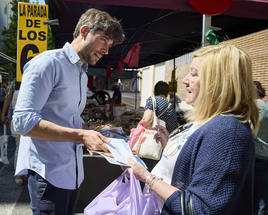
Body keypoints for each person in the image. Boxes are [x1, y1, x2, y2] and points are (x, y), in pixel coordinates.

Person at [12, 8, 124, 215]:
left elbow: (65, 117)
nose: (106, 50)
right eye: (104, 40)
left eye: (110, 45)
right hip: (48, 176)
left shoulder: (81, 71)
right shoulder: (47, 63)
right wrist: (82, 135)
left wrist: (92, 132)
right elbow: (23, 122)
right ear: (84, 31)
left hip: (72, 176)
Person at [127, 44, 259, 215]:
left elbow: (199, 208)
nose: (184, 80)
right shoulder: (212, 121)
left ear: (217, 83)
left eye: (194, 74)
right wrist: (170, 147)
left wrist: (147, 177)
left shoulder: (227, 131)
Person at [1, 81, 26, 185]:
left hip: (32, 119)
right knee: (20, 147)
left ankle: (25, 172)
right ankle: (19, 173)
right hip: (18, 119)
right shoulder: (15, 82)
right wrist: (3, 114)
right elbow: (8, 99)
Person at [253, 81, 268, 215]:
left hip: (259, 156)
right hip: (262, 156)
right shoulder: (265, 107)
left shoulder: (258, 108)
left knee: (260, 196)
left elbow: (252, 131)